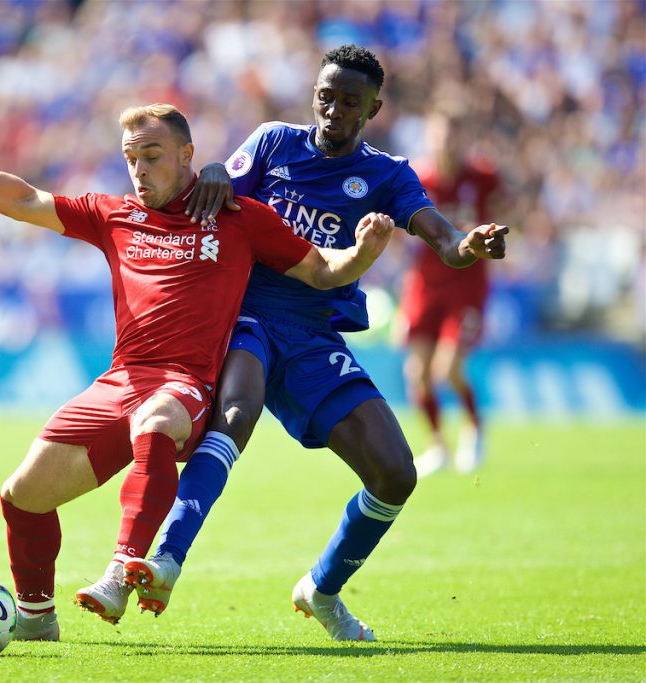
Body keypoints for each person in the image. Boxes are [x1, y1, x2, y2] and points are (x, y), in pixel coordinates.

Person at [0, 103, 396, 642]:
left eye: (152, 156)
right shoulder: (112, 214)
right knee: (21, 495)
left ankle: (121, 570)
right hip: (120, 382)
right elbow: (22, 198)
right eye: (131, 157)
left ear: (187, 155)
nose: (139, 169)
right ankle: (37, 617)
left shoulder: (239, 218)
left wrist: (362, 253)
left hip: (188, 384)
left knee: (157, 421)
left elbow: (322, 270)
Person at [122, 45, 508, 642]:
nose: (333, 110)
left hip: (312, 338)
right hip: (245, 314)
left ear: (373, 108)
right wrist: (220, 170)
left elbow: (445, 238)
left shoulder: (389, 176)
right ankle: (167, 558)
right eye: (326, 97)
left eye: (349, 102)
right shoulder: (275, 142)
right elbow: (221, 179)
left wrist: (471, 244)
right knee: (235, 413)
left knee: (395, 475)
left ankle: (322, 589)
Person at [400, 110, 507, 477]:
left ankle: (475, 428)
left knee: (449, 368)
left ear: (461, 138)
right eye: (438, 134)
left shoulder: (482, 177)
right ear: (429, 136)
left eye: (451, 134)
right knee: (418, 373)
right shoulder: (418, 178)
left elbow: (508, 213)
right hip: (425, 284)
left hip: (467, 285)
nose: (445, 142)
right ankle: (438, 447)